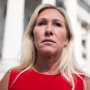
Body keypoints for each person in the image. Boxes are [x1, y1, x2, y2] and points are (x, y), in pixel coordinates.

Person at [0, 4, 90, 90]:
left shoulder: (84, 84)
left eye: (57, 24)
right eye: (42, 23)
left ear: (66, 39)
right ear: (32, 36)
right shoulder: (10, 80)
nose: (48, 30)